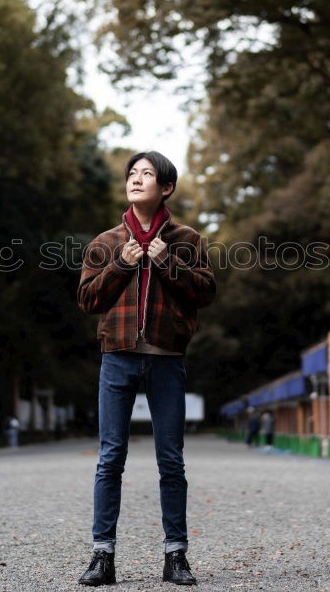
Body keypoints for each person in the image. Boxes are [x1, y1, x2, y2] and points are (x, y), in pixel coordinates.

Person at [75, 151, 216, 586]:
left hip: (166, 359)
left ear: (166, 187)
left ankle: (176, 556)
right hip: (117, 356)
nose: (137, 179)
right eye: (132, 173)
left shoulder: (187, 239)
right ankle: (103, 556)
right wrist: (123, 263)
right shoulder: (106, 241)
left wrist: (165, 261)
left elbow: (206, 293)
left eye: (147, 174)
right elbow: (87, 300)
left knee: (170, 460)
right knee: (110, 457)